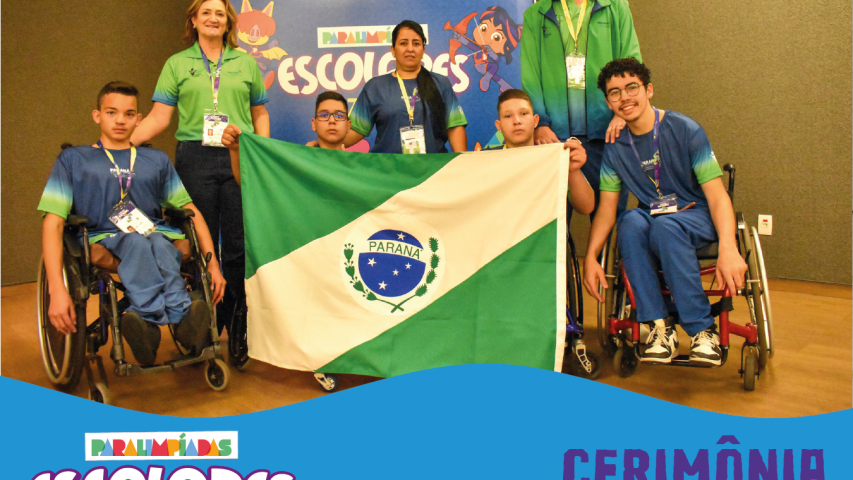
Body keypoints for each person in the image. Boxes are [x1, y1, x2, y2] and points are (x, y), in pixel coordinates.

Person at [38, 82, 226, 366]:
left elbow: (191, 211)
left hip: (154, 234)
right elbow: (52, 223)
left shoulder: (156, 160)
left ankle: (160, 321)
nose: (120, 120)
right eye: (112, 112)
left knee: (159, 243)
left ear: (139, 120)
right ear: (97, 115)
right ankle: (168, 316)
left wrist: (213, 265)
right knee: (140, 242)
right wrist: (57, 288)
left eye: (129, 114)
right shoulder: (74, 159)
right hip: (104, 237)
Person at [582, 59, 747, 366]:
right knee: (629, 221)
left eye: (632, 87)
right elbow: (606, 207)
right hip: (654, 217)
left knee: (665, 227)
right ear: (608, 102)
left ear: (649, 90)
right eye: (614, 92)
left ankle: (702, 330)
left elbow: (717, 195)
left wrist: (729, 246)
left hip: (696, 214)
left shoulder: (685, 130)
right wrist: (591, 255)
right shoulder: (615, 147)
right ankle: (659, 328)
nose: (625, 97)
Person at [130, 0, 270, 336]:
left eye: (220, 13)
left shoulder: (246, 63)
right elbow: (159, 117)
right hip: (195, 157)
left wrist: (261, 150)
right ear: (193, 20)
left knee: (238, 242)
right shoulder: (177, 64)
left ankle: (238, 322)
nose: (213, 18)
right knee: (195, 243)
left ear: (228, 22)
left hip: (239, 154)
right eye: (205, 12)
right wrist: (119, 144)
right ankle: (202, 324)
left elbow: (260, 113)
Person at [521, 0, 641, 216]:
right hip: (553, 138)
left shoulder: (616, 7)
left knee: (610, 216)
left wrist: (621, 113)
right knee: (552, 220)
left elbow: (630, 64)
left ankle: (604, 252)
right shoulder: (536, 13)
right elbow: (530, 75)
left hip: (609, 133)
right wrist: (540, 123)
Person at [330, 20, 468, 154]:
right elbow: (356, 129)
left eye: (416, 43)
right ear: (393, 50)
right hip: (389, 172)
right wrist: (321, 146)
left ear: (423, 50)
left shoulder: (441, 83)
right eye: (403, 43)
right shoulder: (375, 87)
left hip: (433, 172)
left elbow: (454, 126)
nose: (410, 49)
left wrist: (463, 162)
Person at [493, 89, 594, 215]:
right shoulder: (489, 161)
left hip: (551, 234)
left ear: (535, 121)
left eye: (524, 113)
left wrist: (573, 171)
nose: (517, 121)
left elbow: (586, 208)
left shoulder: (556, 156)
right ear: (499, 126)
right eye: (508, 116)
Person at [223, 91, 352, 183]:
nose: (332, 120)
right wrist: (235, 151)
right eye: (324, 115)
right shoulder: (297, 162)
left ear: (348, 125)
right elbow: (252, 183)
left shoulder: (357, 167)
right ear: (314, 124)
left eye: (339, 115)